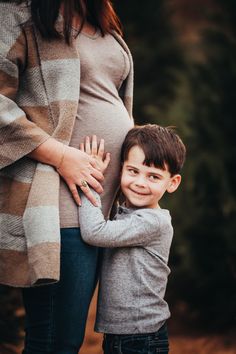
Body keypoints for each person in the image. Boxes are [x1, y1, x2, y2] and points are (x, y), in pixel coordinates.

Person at [0, 0, 134, 352]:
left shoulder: (101, 20)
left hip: (102, 208)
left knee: (66, 339)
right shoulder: (19, 15)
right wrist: (60, 156)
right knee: (56, 340)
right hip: (58, 202)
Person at [78, 125, 186, 354]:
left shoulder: (153, 222)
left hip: (141, 338)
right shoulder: (127, 212)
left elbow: (94, 232)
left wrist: (87, 179)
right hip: (125, 335)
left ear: (172, 183)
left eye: (154, 176)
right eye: (133, 171)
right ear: (121, 169)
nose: (140, 182)